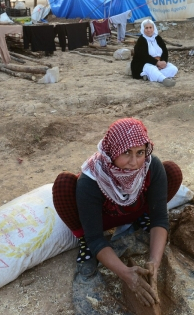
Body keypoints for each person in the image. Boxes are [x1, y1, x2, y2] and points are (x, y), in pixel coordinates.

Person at [52, 118, 183, 307]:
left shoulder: (149, 166)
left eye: (140, 152)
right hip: (102, 219)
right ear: (112, 151)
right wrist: (125, 273)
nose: (134, 162)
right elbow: (97, 239)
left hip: (135, 210)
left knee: (171, 170)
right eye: (126, 153)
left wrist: (154, 262)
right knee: (64, 183)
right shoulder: (92, 179)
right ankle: (83, 240)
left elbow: (160, 219)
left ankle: (140, 219)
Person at [131, 19, 178, 87]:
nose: (149, 30)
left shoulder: (157, 38)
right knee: (151, 69)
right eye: (146, 28)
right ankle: (164, 80)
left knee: (173, 68)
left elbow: (165, 51)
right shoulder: (141, 40)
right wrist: (156, 62)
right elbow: (143, 56)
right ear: (143, 29)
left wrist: (164, 61)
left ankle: (149, 76)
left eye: (150, 27)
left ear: (153, 28)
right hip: (145, 63)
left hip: (159, 62)